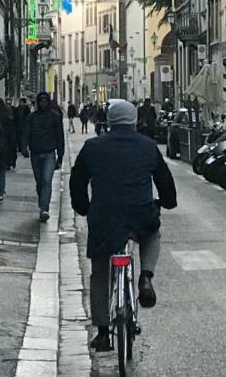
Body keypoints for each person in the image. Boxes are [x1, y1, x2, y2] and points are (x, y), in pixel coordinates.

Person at [70, 99, 177, 353]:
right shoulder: (148, 146)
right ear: (134, 121)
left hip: (104, 216)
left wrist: (84, 207)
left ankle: (103, 332)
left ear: (108, 120)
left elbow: (77, 181)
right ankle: (146, 276)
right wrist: (168, 202)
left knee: (99, 270)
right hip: (140, 212)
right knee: (152, 234)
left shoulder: (93, 146)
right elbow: (164, 180)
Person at [23, 91, 65, 223]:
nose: (43, 104)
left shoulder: (55, 117)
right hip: (36, 152)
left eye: (45, 101)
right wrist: (24, 147)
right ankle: (43, 203)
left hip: (49, 153)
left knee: (46, 180)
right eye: (41, 101)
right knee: (40, 182)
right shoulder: (31, 118)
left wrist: (60, 155)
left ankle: (44, 209)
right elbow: (26, 133)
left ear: (48, 102)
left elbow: (60, 137)